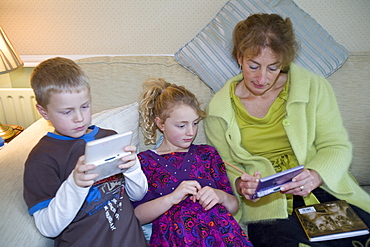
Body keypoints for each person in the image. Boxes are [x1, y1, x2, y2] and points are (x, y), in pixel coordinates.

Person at [204, 13, 370, 246]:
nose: (262, 78)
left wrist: (315, 175)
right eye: (253, 66)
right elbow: (229, 168)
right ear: (240, 58)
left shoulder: (312, 87)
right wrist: (243, 186)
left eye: (273, 68)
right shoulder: (219, 111)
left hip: (323, 189)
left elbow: (336, 146)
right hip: (268, 207)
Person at [23, 57, 148, 246]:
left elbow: (137, 195)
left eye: (84, 106)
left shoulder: (109, 138)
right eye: (67, 112)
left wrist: (132, 169)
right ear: (44, 112)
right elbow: (48, 228)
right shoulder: (42, 158)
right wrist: (75, 184)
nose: (79, 118)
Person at [133, 77, 253, 247]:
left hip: (223, 236)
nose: (190, 132)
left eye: (195, 124)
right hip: (177, 238)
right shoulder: (145, 162)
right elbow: (137, 215)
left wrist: (220, 196)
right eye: (181, 126)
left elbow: (234, 207)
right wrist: (172, 198)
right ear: (161, 124)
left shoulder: (207, 154)